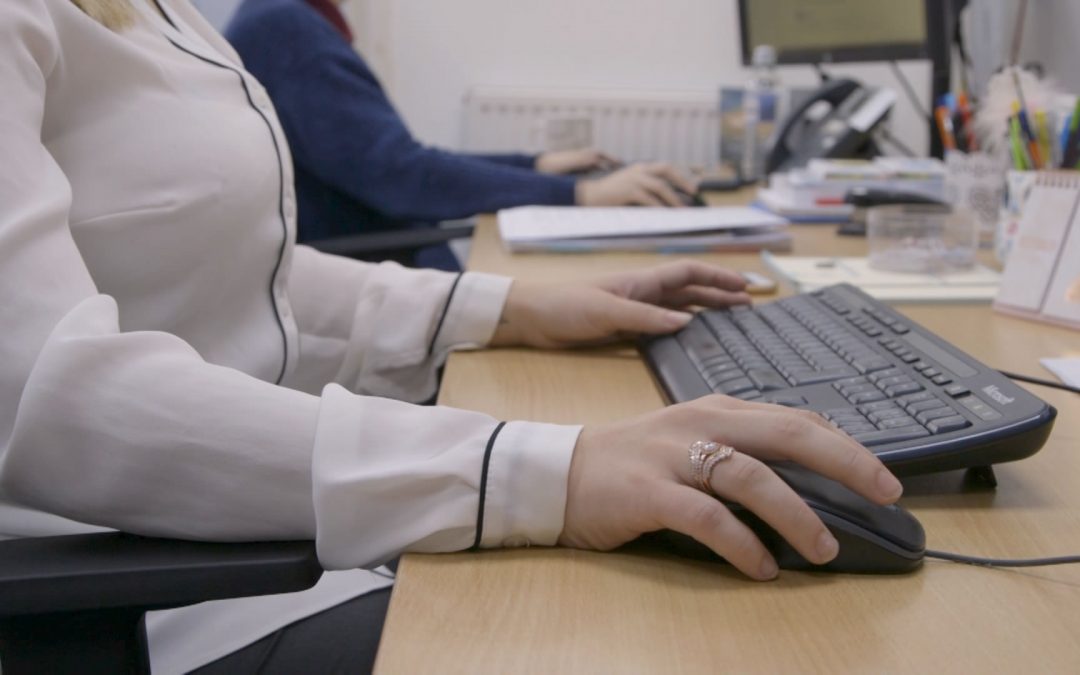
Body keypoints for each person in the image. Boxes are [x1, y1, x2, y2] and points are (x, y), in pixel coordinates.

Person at [0, 1, 903, 673]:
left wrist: (511, 306)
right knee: (653, 636)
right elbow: (52, 392)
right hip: (143, 595)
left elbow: (248, 281)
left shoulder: (166, 15)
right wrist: (544, 469)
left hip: (266, 533)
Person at [224, 0, 699, 269]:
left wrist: (532, 165)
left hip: (390, 263)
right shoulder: (285, 27)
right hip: (380, 279)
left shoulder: (284, 21)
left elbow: (391, 161)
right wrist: (580, 193)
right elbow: (401, 176)